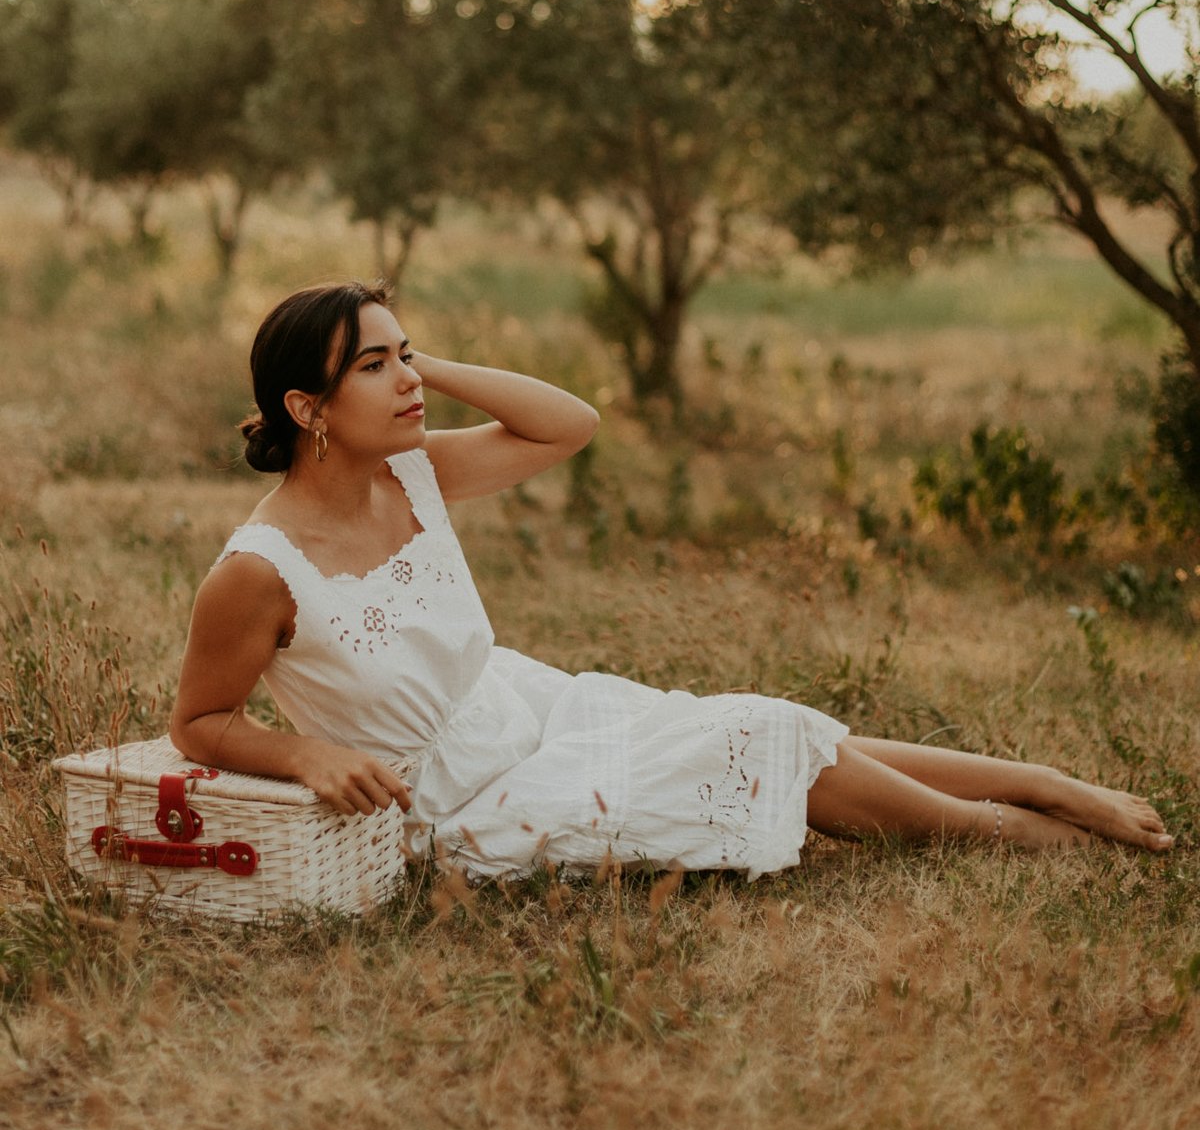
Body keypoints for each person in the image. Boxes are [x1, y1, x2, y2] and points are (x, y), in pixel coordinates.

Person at [170, 282, 1174, 878]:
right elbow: (201, 721)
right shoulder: (258, 571)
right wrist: (305, 756)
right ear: (308, 408)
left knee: (778, 721)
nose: (411, 382)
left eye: (407, 357)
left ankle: (1040, 784)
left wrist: (409, 349)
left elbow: (569, 423)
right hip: (458, 796)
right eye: (377, 368)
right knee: (757, 736)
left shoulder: (413, 474)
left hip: (523, 704)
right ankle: (1015, 836)